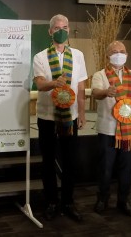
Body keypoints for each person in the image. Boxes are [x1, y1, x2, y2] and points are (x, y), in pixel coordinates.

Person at [32, 14, 87, 222]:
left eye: (65, 26)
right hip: (47, 117)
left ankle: (68, 202)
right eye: (57, 28)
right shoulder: (40, 57)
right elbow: (39, 84)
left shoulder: (78, 56)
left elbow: (81, 87)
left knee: (70, 161)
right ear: (50, 31)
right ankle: (51, 202)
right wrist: (55, 83)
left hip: (70, 117)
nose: (61, 30)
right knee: (48, 162)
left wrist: (81, 112)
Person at [91, 40, 131, 217]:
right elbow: (95, 93)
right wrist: (106, 92)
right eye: (114, 51)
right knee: (105, 168)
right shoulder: (100, 75)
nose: (118, 54)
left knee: (127, 168)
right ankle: (102, 199)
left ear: (127, 54)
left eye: (122, 51)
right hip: (108, 129)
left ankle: (124, 200)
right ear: (108, 55)